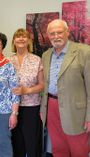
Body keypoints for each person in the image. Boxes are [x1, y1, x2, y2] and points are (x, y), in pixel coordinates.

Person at [40, 19, 90, 157]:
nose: (56, 36)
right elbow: (44, 85)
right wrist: (43, 109)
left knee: (79, 150)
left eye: (59, 32)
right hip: (51, 107)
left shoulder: (84, 52)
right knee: (58, 148)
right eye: (52, 33)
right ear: (48, 36)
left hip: (76, 110)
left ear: (67, 32)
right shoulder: (46, 55)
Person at [9, 28, 44, 157]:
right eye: (18, 36)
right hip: (12, 108)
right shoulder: (8, 61)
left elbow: (42, 85)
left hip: (31, 107)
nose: (21, 39)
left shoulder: (37, 60)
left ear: (29, 40)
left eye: (24, 36)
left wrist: (27, 90)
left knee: (31, 141)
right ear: (14, 41)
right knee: (16, 142)